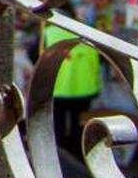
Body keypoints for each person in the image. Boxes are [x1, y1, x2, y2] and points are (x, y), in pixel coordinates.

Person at [42, 13, 103, 160]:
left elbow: (35, 55)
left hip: (58, 88)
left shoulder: (48, 33)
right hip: (85, 88)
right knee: (79, 124)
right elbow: (101, 59)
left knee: (58, 124)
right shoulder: (89, 33)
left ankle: (60, 157)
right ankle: (79, 155)